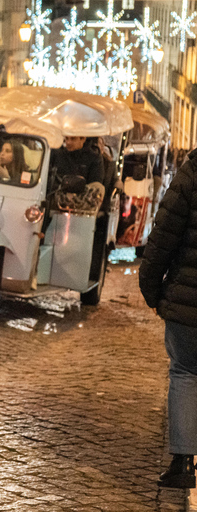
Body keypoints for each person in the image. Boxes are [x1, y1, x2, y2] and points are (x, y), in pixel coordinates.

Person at [139, 148, 197, 489]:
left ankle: (183, 464)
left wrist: (151, 288)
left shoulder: (190, 176)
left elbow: (162, 238)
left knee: (186, 373)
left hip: (186, 304)